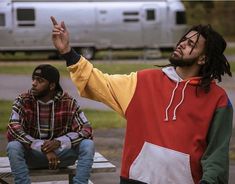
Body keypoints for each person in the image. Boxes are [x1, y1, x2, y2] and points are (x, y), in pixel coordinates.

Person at [51, 16, 233, 184]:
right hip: (136, 180)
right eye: (184, 39)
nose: (182, 44)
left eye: (191, 43)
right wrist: (68, 52)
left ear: (203, 58)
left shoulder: (218, 100)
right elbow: (100, 83)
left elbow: (216, 156)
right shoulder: (143, 81)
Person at [6, 64, 95, 184]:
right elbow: (13, 128)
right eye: (33, 79)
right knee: (13, 147)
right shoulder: (23, 100)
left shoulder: (68, 102)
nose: (33, 83)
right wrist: (44, 148)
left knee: (88, 144)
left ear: (52, 85)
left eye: (40, 81)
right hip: (32, 155)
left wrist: (59, 142)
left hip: (61, 155)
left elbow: (86, 129)